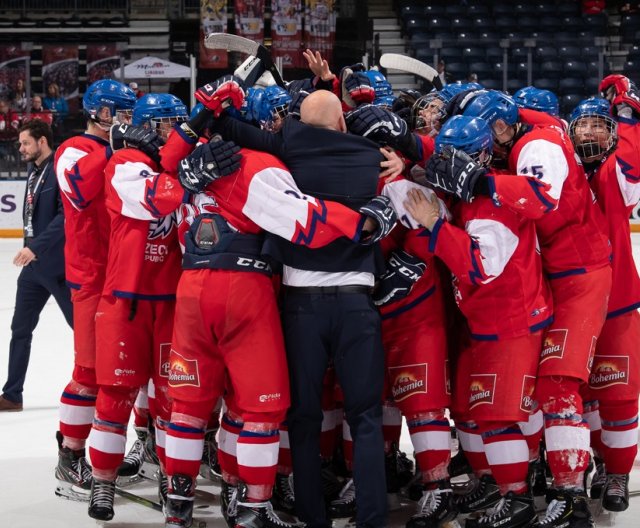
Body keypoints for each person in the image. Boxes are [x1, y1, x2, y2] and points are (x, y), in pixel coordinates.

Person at [199, 81, 397, 528]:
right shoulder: (375, 157)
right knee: (364, 417)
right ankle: (371, 519)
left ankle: (311, 515)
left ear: (298, 124)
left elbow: (224, 126)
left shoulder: (286, 147)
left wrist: (218, 103)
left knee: (304, 417)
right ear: (343, 120)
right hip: (356, 304)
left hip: (302, 307)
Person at [429, 90, 612, 528]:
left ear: (501, 128)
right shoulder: (520, 132)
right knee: (532, 392)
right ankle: (531, 480)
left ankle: (570, 495)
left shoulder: (537, 146)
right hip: (557, 274)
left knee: (557, 386)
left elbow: (540, 198)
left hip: (580, 275)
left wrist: (480, 182)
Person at [86, 93, 207, 522]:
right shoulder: (123, 164)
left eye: (176, 122)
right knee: (115, 396)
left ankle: (171, 481)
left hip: (174, 302)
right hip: (127, 300)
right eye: (163, 123)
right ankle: (102, 482)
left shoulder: (183, 164)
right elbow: (159, 198)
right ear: (143, 126)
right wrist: (192, 172)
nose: (170, 130)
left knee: (174, 400)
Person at [53, 79, 137, 500]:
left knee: (126, 374)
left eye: (127, 112)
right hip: (90, 278)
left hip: (126, 277)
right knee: (88, 373)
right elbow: (81, 190)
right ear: (97, 112)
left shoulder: (124, 149)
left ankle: (125, 448)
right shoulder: (72, 150)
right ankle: (70, 456)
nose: (124, 119)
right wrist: (114, 148)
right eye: (117, 112)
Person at [568, 85, 640, 513]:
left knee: (619, 395)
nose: (591, 132)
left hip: (617, 304)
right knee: (585, 396)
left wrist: (629, 111)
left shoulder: (617, 172)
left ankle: (617, 472)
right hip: (572, 302)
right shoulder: (562, 171)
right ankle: (596, 460)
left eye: (600, 124)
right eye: (585, 124)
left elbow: (633, 161)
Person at [0, 119, 72, 412]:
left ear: (42, 141)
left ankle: (100, 386)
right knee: (20, 329)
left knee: (81, 328)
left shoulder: (59, 170)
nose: (20, 148)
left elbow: (64, 218)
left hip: (58, 267)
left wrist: (35, 247)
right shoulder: (33, 170)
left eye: (25, 143)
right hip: (33, 271)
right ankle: (12, 395)